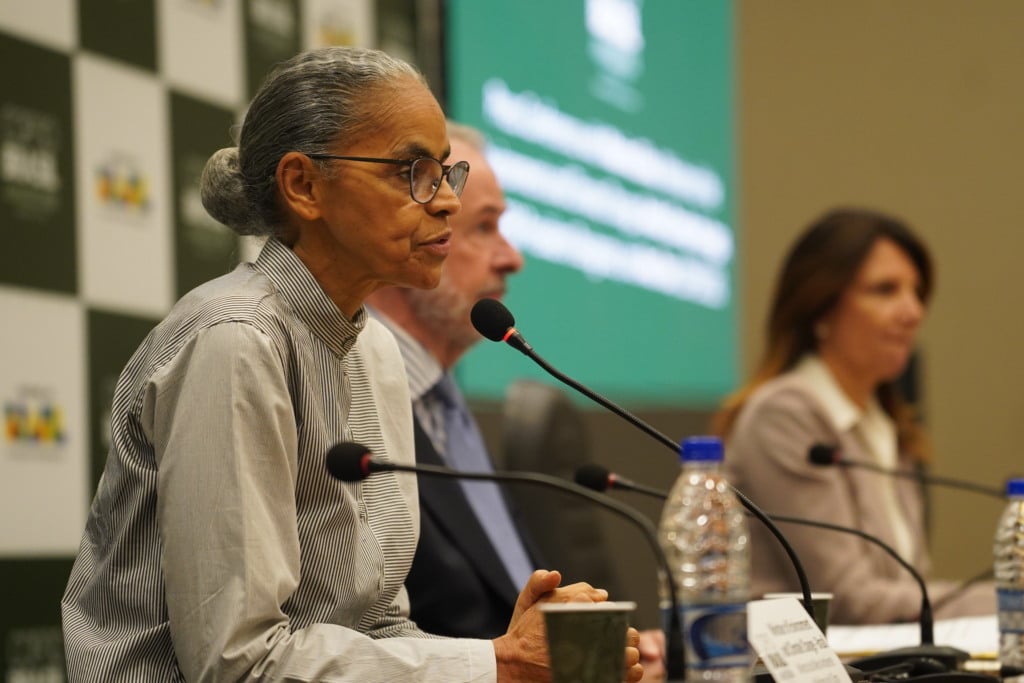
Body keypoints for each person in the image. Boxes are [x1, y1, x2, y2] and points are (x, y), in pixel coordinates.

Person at [60, 46, 643, 683]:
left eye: (447, 173)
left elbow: (378, 628)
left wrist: (510, 653)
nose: (446, 201)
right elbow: (238, 665)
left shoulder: (376, 351)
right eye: (411, 171)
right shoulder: (235, 341)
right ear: (304, 185)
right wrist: (496, 664)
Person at [366, 123, 667, 679]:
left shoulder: (446, 405)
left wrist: (596, 648)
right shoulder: (347, 395)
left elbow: (507, 610)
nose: (512, 258)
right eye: (485, 228)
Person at [711, 207, 995, 625]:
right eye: (885, 290)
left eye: (917, 292)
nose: (913, 311)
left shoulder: (885, 424)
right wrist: (1006, 601)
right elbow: (848, 600)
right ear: (821, 309)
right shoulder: (785, 415)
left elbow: (905, 586)